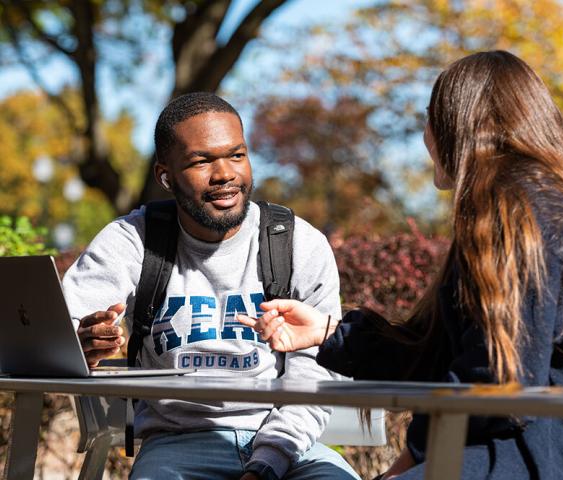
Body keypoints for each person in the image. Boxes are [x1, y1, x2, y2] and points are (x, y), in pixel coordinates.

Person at [238, 50, 563, 479]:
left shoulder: (512, 208)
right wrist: (326, 334)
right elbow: (441, 354)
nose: (426, 134)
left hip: (553, 455)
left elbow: (496, 376)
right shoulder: (551, 202)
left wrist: (411, 459)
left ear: (456, 125)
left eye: (431, 117)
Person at [62, 92, 359, 480]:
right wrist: (80, 345)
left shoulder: (297, 243)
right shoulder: (133, 241)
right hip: (175, 445)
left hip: (290, 447)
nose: (225, 174)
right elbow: (57, 331)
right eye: (202, 161)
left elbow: (314, 377)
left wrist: (267, 463)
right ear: (165, 176)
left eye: (236, 155)